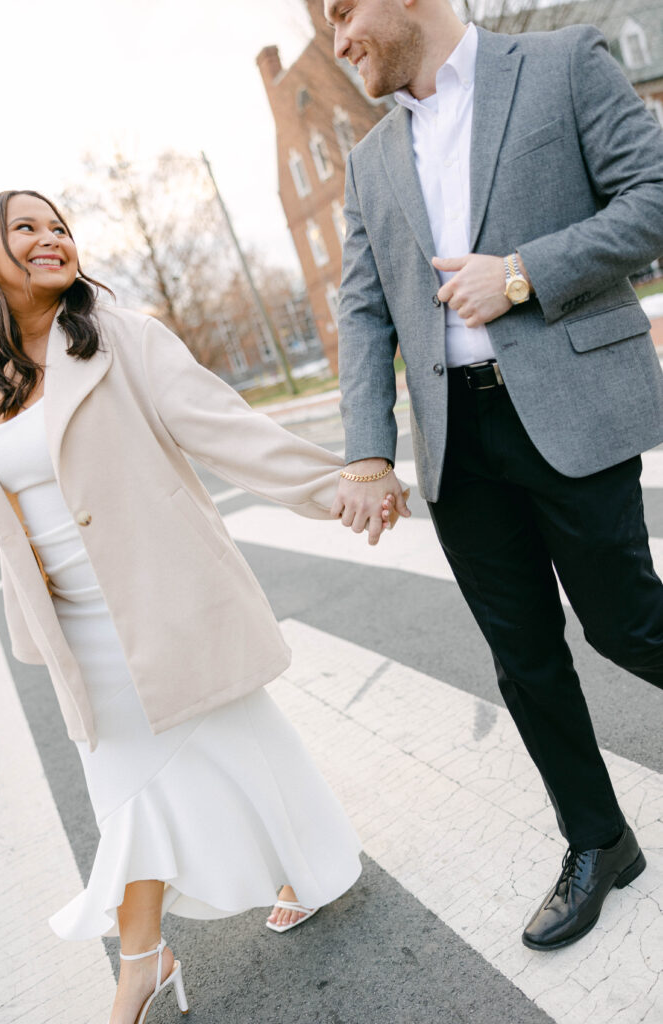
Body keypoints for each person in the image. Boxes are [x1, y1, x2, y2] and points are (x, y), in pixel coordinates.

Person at [0, 190, 397, 1024]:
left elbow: (225, 427)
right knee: (156, 778)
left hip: (163, 598)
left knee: (184, 772)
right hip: (77, 630)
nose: (51, 237)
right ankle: (262, 883)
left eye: (59, 225)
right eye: (25, 227)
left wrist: (341, 481)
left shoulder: (123, 337)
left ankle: (140, 964)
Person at [325, 0, 663, 951]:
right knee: (523, 662)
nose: (337, 40)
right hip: (457, 439)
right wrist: (367, 449)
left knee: (628, 623)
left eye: (343, 12)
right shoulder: (367, 160)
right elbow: (363, 311)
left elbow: (653, 197)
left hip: (567, 402)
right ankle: (598, 840)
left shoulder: (562, 63)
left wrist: (520, 272)